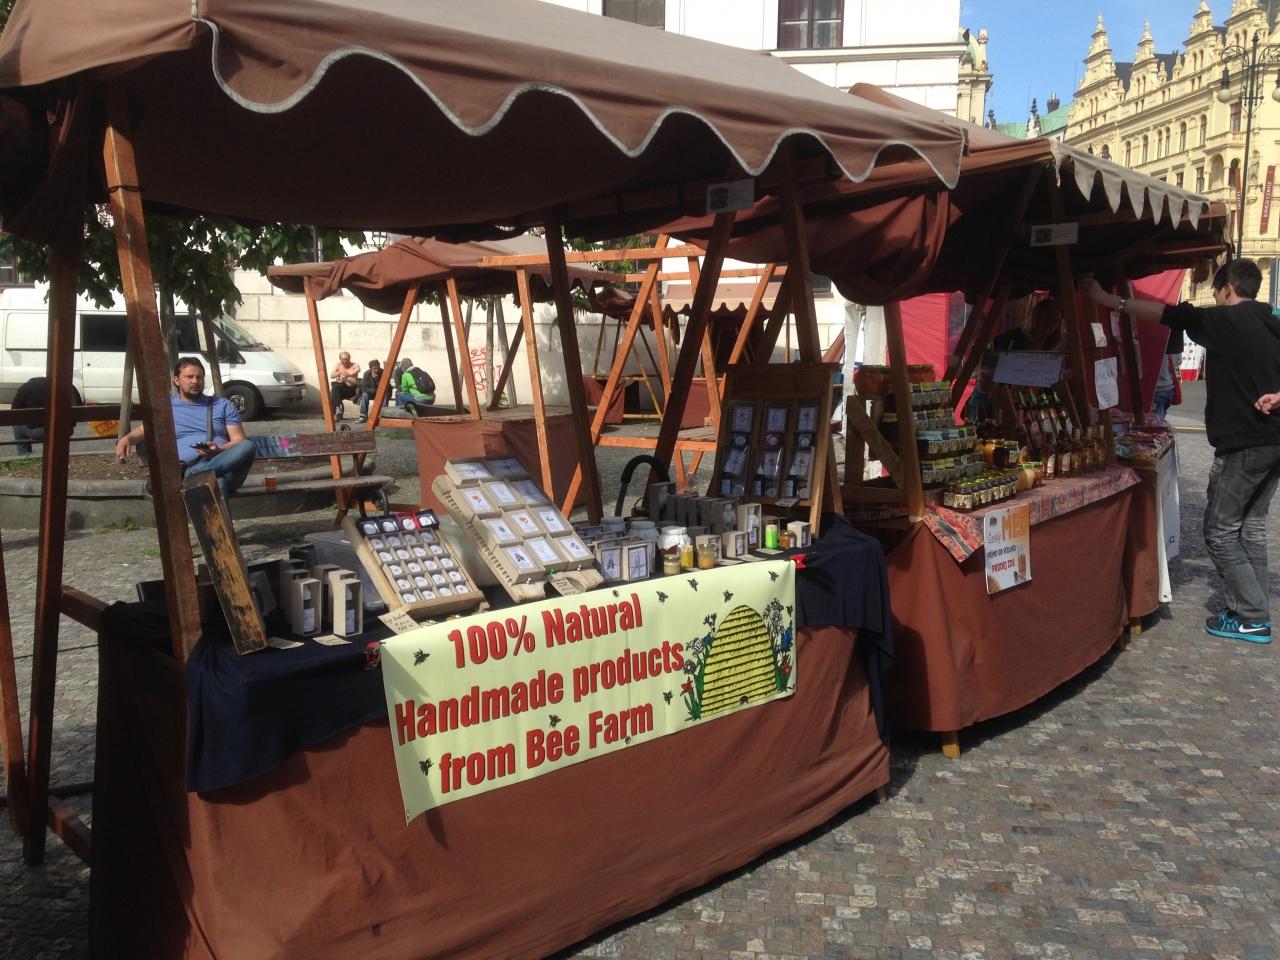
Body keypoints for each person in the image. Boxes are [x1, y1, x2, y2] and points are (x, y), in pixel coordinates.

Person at [1081, 261, 1280, 644]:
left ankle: (1252, 616)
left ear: (1226, 288)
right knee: (1251, 528)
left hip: (1242, 444)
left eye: (1216, 292)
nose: (1215, 298)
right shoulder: (1270, 319)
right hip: (1273, 442)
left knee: (1220, 531)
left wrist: (1107, 299)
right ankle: (1250, 610)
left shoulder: (1224, 320)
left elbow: (1166, 313)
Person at [115, 357, 257, 499]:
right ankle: (199, 478)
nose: (195, 381)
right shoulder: (167, 407)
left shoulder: (221, 404)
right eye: (189, 377)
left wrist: (219, 450)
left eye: (199, 377)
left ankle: (197, 476)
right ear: (176, 380)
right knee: (218, 483)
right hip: (192, 466)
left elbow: (238, 440)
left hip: (226, 466)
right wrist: (127, 439)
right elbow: (143, 430)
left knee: (247, 446)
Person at [10, 376, 49, 455]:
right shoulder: (61, 386)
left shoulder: (26, 387)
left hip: (40, 431)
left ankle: (24, 455)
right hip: (66, 430)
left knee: (17, 426)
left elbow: (14, 410)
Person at [328, 351, 361, 420]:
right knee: (335, 387)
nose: (345, 361)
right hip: (340, 389)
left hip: (351, 390)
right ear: (340, 359)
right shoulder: (338, 365)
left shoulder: (354, 365)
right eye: (343, 360)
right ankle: (337, 409)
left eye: (347, 359)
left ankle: (335, 411)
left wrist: (346, 375)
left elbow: (357, 370)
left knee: (334, 388)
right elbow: (332, 375)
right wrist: (339, 373)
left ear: (350, 358)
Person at [357, 359, 384, 423]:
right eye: (374, 369)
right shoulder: (366, 374)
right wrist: (374, 390)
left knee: (384, 396)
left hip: (382, 392)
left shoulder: (383, 372)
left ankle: (383, 415)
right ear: (370, 368)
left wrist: (377, 380)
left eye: (378, 368)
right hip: (372, 392)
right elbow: (365, 387)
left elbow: (385, 386)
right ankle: (363, 416)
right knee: (365, 395)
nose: (376, 370)